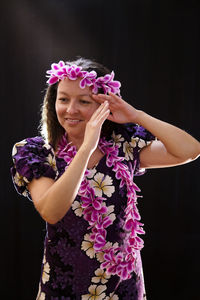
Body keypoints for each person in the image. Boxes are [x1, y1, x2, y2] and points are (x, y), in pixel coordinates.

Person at [11, 57, 200, 300]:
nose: (71, 110)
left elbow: (190, 150)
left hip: (124, 286)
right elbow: (51, 210)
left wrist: (136, 115)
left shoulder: (124, 145)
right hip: (65, 288)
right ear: (53, 102)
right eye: (64, 99)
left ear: (104, 106)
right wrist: (86, 148)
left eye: (84, 101)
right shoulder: (35, 151)